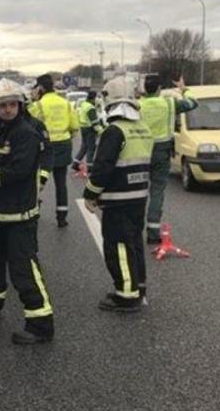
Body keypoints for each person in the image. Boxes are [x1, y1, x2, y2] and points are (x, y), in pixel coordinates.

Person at [0, 79, 54, 344]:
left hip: (19, 214)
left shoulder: (25, 132)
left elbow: (18, 171)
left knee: (23, 268)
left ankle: (41, 324)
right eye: (2, 105)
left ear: (20, 105)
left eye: (12, 105)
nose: (7, 109)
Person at [83, 78, 154, 312]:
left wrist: (90, 194)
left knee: (119, 247)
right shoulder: (142, 127)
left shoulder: (114, 131)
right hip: (139, 196)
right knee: (133, 243)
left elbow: (103, 166)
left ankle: (126, 295)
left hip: (118, 200)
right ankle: (138, 284)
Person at [139, 73, 198, 244]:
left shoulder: (138, 105)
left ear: (144, 89)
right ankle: (152, 232)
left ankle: (134, 230)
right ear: (159, 89)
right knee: (156, 190)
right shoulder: (169, 103)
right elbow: (193, 103)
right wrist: (183, 88)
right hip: (161, 152)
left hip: (140, 151)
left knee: (138, 190)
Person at [29, 74, 79, 227]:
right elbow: (75, 127)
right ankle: (62, 216)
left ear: (41, 88)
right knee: (61, 183)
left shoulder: (38, 105)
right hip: (63, 144)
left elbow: (29, 126)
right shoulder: (65, 103)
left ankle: (34, 211)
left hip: (44, 146)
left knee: (37, 180)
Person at [72, 90, 104, 174]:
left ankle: (75, 163)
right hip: (90, 130)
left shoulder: (83, 105)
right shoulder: (90, 108)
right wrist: (102, 132)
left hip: (83, 128)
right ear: (93, 98)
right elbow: (95, 123)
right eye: (96, 97)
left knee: (84, 147)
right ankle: (90, 168)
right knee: (91, 148)